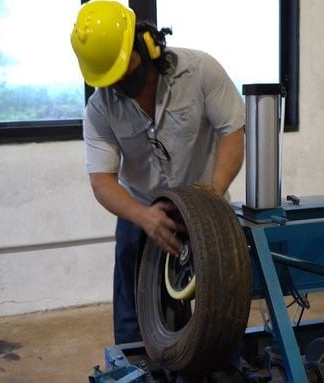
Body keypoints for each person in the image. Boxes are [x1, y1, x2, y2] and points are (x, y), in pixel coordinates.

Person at [70, 0, 245, 344]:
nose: (119, 82)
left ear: (146, 44)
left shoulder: (200, 71)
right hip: (142, 215)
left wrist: (215, 189)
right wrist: (144, 217)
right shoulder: (99, 109)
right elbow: (102, 181)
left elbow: (232, 132)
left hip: (208, 210)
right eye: (110, 78)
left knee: (222, 318)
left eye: (124, 68)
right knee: (136, 321)